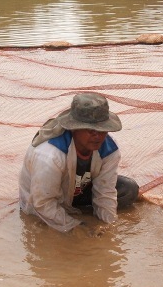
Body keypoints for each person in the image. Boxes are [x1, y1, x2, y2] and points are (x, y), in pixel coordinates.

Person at [19, 93, 139, 233]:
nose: (98, 136)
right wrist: (78, 227)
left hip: (78, 189)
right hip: (46, 197)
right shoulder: (49, 155)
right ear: (75, 128)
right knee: (51, 229)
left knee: (129, 189)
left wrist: (109, 227)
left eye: (102, 130)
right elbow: (42, 203)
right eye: (90, 130)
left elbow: (105, 193)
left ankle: (74, 211)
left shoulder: (109, 150)